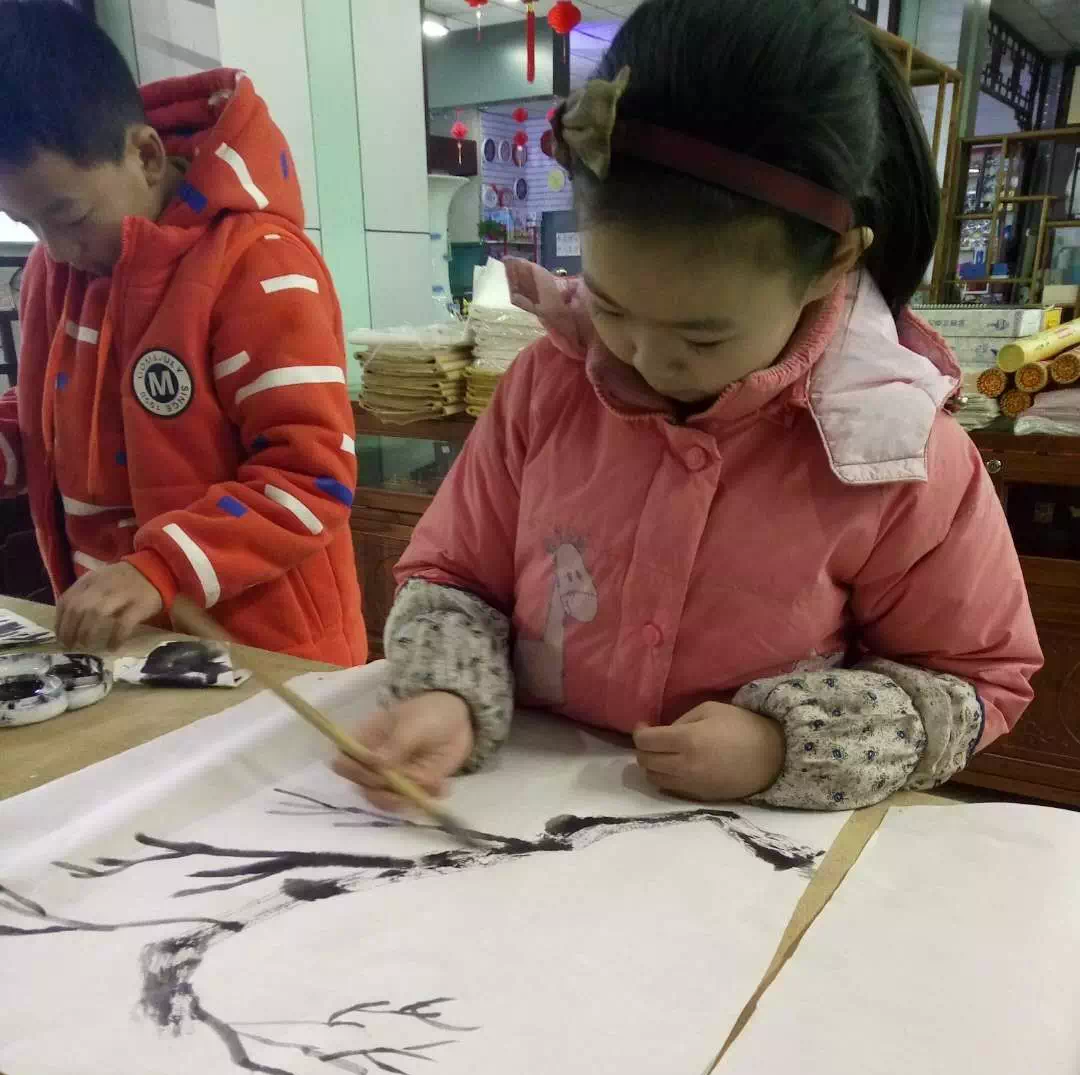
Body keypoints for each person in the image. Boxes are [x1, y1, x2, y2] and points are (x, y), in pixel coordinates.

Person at [342, 0, 1040, 813]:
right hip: (521, 815)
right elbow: (454, 575)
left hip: (741, 857)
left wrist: (783, 745)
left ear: (831, 265)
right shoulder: (548, 385)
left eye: (703, 337)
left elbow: (974, 680)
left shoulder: (893, 448)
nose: (645, 358)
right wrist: (446, 692)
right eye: (610, 307)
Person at [0, 0, 365, 663]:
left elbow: (314, 479)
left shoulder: (258, 266)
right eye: (28, 224)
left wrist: (158, 568)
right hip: (132, 650)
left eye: (68, 216)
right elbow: (50, 417)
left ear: (145, 155)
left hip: (270, 655)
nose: (55, 247)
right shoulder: (57, 273)